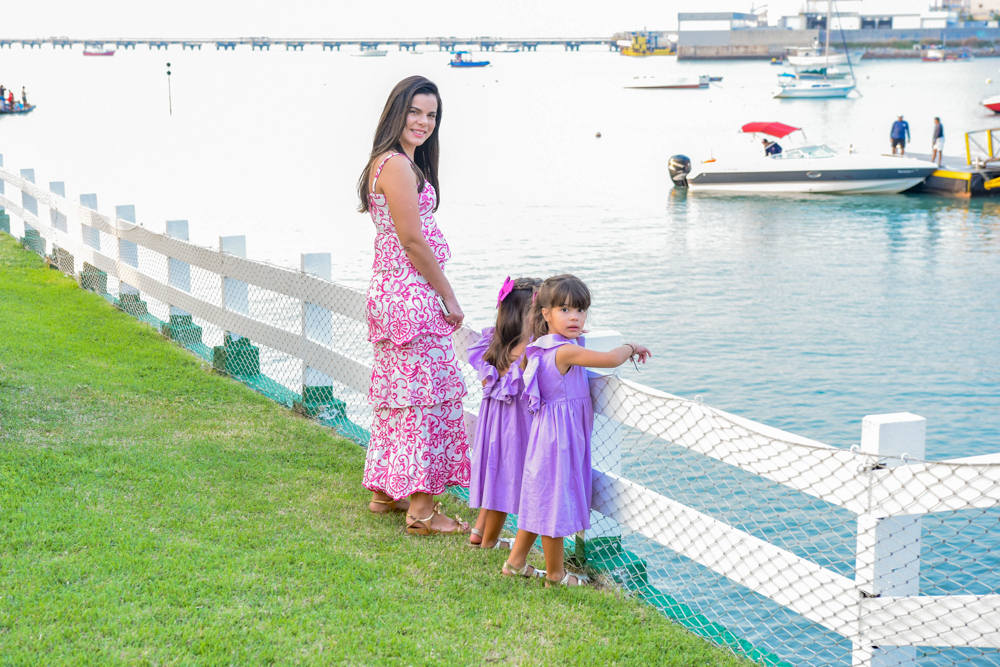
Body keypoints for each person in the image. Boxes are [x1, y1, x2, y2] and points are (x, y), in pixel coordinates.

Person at [358, 75, 471, 536]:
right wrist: (448, 294)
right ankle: (422, 511)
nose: (424, 122)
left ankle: (387, 491)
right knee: (427, 397)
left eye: (432, 115)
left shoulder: (382, 163)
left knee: (400, 395)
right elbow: (412, 240)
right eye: (416, 112)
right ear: (396, 111)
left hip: (390, 292)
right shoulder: (399, 167)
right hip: (411, 295)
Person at [501, 275, 651, 585]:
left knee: (540, 500)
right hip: (560, 442)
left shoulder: (541, 345)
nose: (575, 317)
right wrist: (631, 346)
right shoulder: (565, 353)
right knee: (553, 507)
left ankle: (515, 563)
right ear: (546, 314)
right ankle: (556, 575)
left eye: (581, 311)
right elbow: (610, 359)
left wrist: (576, 334)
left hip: (548, 436)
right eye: (565, 310)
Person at [466, 276, 542, 550]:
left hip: (492, 425)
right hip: (517, 426)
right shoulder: (531, 349)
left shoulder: (494, 342)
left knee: (494, 471)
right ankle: (488, 542)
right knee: (506, 477)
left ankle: (479, 530)